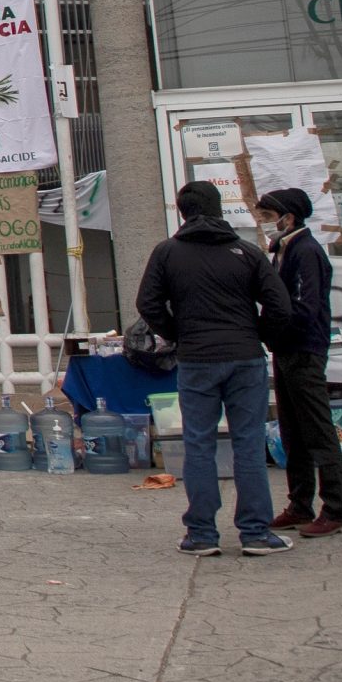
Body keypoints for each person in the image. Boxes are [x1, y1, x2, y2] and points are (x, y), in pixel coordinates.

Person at [135, 180, 296, 556]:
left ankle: (202, 535)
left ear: (181, 211)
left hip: (196, 360)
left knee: (199, 445)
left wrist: (178, 334)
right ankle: (256, 533)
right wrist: (256, 334)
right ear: (220, 208)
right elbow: (281, 306)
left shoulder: (167, 253)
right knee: (249, 445)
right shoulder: (247, 252)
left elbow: (149, 303)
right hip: (245, 358)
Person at [256, 187, 342, 538]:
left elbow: (306, 307)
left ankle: (335, 508)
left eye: (268, 217)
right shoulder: (283, 250)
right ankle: (300, 503)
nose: (265, 224)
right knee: (292, 430)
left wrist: (273, 328)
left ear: (288, 217)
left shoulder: (307, 251)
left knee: (318, 430)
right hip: (285, 349)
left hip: (304, 349)